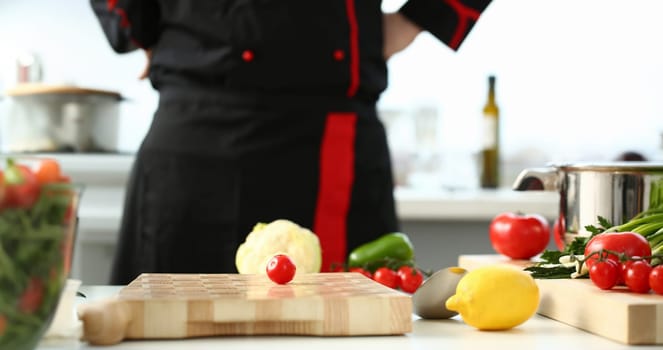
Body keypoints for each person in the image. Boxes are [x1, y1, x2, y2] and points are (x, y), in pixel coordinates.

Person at [90, 0, 493, 285]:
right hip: (194, 137)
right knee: (165, 329)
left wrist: (418, 17)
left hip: (331, 140)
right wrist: (137, 23)